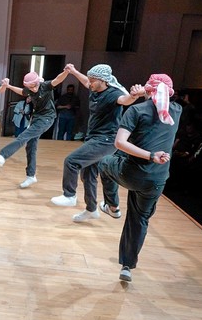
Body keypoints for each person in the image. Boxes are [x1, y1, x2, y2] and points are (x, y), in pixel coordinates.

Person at [97, 74, 183, 282]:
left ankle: (112, 206)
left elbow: (120, 143)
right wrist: (148, 91)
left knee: (104, 163)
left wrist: (150, 156)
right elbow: (161, 97)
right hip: (157, 180)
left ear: (149, 89)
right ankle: (127, 267)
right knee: (139, 219)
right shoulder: (177, 110)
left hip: (132, 173)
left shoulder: (136, 110)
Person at [50, 63, 138, 222]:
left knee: (71, 161)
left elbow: (125, 100)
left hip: (106, 140)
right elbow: (85, 81)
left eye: (92, 80)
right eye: (89, 80)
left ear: (103, 80)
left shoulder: (113, 94)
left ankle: (69, 195)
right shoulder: (94, 88)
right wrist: (74, 71)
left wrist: (134, 96)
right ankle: (91, 210)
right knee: (88, 175)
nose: (89, 83)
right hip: (93, 137)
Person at [0, 68, 69, 187]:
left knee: (24, 136)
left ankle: (3, 155)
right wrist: (8, 86)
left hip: (47, 118)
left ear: (38, 82)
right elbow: (21, 91)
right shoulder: (29, 89)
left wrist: (67, 72)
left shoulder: (46, 86)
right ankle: (31, 176)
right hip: (36, 118)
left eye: (34, 86)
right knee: (31, 147)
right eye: (30, 88)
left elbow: (58, 79)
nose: (33, 89)